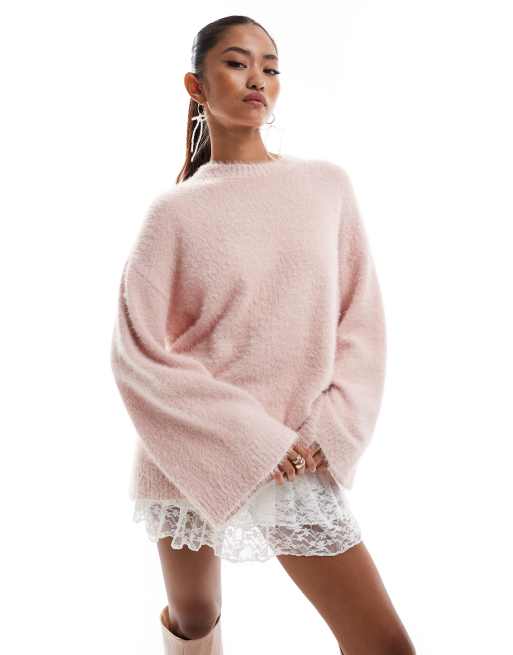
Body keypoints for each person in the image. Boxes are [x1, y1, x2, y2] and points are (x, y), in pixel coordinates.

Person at [110, 14, 416, 655]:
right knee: (195, 616)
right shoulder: (174, 213)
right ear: (196, 86)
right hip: (193, 443)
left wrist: (331, 429)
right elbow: (140, 354)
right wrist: (247, 438)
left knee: (383, 643)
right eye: (237, 62)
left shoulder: (326, 187)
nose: (258, 79)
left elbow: (361, 321)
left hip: (297, 452)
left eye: (271, 68)